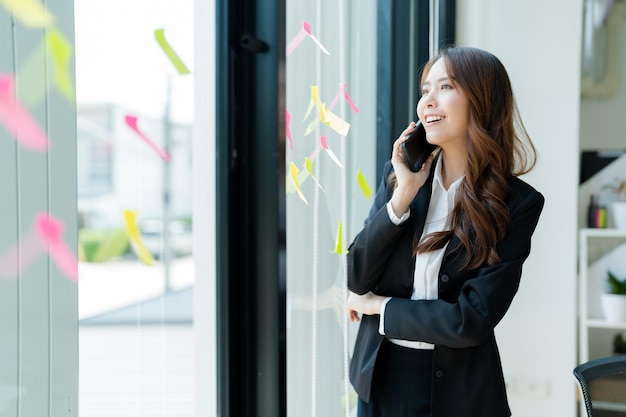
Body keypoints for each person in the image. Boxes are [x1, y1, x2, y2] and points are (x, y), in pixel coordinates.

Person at [346, 46, 545, 417]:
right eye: (425, 91)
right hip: (381, 380)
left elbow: (470, 320)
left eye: (445, 87)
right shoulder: (400, 179)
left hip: (458, 395)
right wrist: (401, 197)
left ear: (482, 100)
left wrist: (380, 306)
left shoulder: (516, 204)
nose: (428, 103)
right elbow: (357, 276)